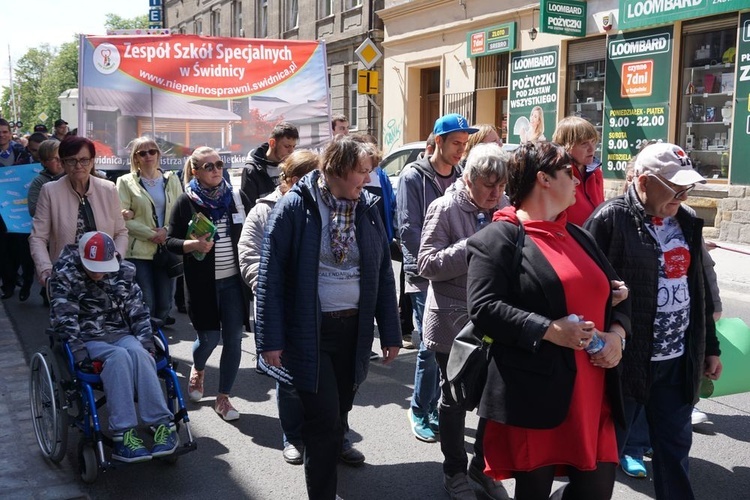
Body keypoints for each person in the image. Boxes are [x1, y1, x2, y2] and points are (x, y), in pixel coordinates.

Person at [466, 141, 630, 500]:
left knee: (595, 492)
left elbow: (615, 293)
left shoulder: (579, 234)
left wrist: (617, 333)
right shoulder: (498, 238)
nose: (577, 179)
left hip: (593, 392)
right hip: (536, 391)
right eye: (569, 172)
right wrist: (549, 330)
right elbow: (483, 307)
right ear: (543, 179)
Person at [255, 136, 401, 500]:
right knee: (323, 423)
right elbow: (270, 276)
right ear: (336, 169)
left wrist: (391, 331)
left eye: (370, 172)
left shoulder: (367, 207)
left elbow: (383, 273)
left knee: (340, 412)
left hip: (354, 331)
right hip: (310, 333)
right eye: (362, 172)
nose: (368, 180)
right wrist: (269, 340)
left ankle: (335, 445)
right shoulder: (293, 207)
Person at [585, 142, 722, 500]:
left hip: (677, 362)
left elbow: (700, 291)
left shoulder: (688, 221)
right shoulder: (609, 219)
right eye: (674, 186)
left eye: (686, 187)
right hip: (624, 364)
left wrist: (710, 347)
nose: (683, 193)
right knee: (601, 457)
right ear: (644, 182)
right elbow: (585, 291)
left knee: (675, 453)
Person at [418, 143, 510, 499]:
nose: (496, 193)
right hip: (453, 322)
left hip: (495, 319)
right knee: (454, 398)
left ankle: (482, 467)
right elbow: (426, 264)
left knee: (494, 399)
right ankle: (454, 471)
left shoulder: (504, 208)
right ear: (468, 178)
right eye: (489, 185)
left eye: (501, 186)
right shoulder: (444, 208)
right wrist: (475, 244)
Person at [49, 231, 179, 463]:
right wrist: (79, 356)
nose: (98, 271)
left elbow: (137, 311)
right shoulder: (65, 275)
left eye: (102, 265)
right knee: (118, 357)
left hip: (121, 331)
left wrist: (147, 342)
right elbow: (65, 320)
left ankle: (162, 425)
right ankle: (124, 433)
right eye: (92, 266)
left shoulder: (124, 272)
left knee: (141, 354)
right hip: (88, 338)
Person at [397, 113, 477, 443]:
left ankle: (438, 406)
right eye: (456, 143)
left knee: (451, 346)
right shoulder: (413, 176)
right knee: (429, 347)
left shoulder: (460, 176)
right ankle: (419, 409)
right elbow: (408, 229)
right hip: (425, 275)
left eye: (464, 144)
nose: (461, 150)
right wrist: (427, 270)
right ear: (438, 141)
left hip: (458, 275)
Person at [238, 149, 319, 465]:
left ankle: (334, 436)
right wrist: (276, 290)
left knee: (326, 379)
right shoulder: (263, 210)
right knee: (287, 380)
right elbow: (248, 258)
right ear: (295, 179)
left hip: (317, 310)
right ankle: (293, 437)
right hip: (280, 309)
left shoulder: (323, 208)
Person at [166, 147, 250, 421]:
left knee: (234, 339)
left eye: (219, 164)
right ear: (195, 171)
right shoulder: (185, 201)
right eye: (208, 166)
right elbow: (170, 242)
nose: (216, 170)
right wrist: (192, 244)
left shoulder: (236, 198)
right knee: (209, 338)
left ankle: (224, 397)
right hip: (202, 285)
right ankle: (198, 368)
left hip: (233, 283)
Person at [29, 136, 128, 288]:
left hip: (104, 271)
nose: (78, 166)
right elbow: (38, 237)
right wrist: (45, 269)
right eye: (71, 160)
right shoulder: (50, 191)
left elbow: (121, 232)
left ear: (92, 161)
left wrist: (116, 257)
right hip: (65, 276)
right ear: (62, 163)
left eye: (84, 160)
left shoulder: (108, 189)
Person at [116, 138, 183, 325]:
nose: (148, 156)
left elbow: (180, 213)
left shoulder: (172, 179)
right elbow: (120, 219)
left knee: (164, 303)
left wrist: (167, 231)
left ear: (158, 155)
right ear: (135, 158)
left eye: (152, 151)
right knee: (146, 301)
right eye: (142, 153)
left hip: (166, 249)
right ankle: (148, 340)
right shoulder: (125, 182)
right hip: (138, 251)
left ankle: (156, 332)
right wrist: (152, 233)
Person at [552, 116, 603, 225]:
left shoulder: (596, 172)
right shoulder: (558, 174)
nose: (592, 148)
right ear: (566, 146)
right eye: (584, 143)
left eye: (593, 142)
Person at [240, 121, 299, 211]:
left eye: (293, 147)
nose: (291, 151)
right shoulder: (252, 170)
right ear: (272, 143)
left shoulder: (292, 167)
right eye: (287, 146)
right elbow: (249, 208)